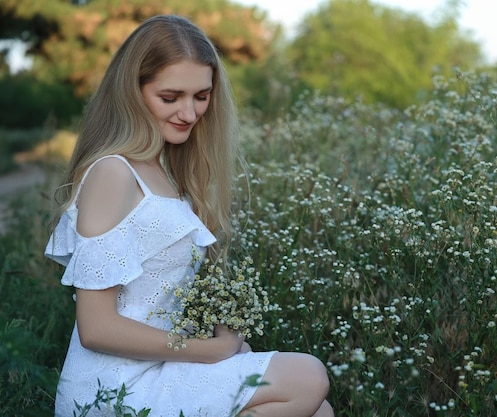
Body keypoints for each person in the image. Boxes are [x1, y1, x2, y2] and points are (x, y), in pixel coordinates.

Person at [45, 14, 334, 417]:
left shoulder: (163, 170)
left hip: (161, 367)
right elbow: (96, 329)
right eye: (170, 97)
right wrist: (211, 351)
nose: (190, 111)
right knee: (306, 376)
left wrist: (220, 347)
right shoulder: (114, 172)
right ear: (133, 92)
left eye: (201, 95)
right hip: (114, 390)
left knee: (318, 411)